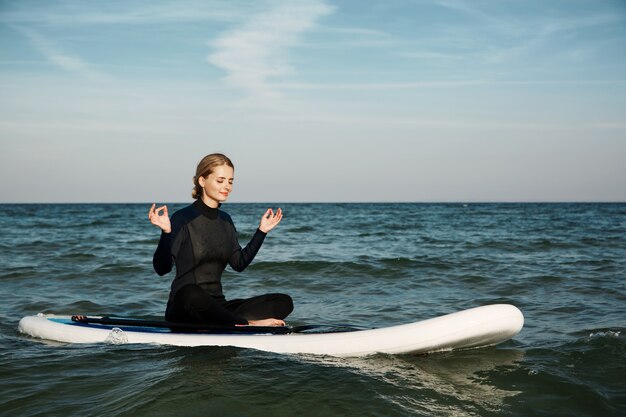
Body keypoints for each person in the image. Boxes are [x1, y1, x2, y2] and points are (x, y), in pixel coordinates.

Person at [148, 153, 293, 328]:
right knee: (191, 293)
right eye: (220, 180)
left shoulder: (225, 220)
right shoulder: (183, 218)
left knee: (283, 301)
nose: (227, 187)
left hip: (218, 307)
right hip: (185, 308)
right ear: (202, 181)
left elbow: (239, 264)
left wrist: (262, 231)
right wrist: (166, 232)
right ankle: (245, 324)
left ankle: (231, 322)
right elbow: (161, 269)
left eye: (230, 181)